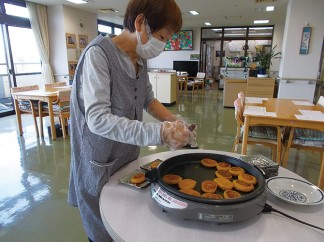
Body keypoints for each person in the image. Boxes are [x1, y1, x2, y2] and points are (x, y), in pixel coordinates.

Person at [67, 0, 196, 241]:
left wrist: (174, 121)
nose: (163, 44)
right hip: (100, 162)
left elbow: (147, 99)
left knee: (127, 225)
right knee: (104, 229)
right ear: (140, 22)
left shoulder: (138, 57)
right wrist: (159, 133)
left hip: (127, 159)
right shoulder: (99, 55)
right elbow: (98, 120)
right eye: (161, 35)